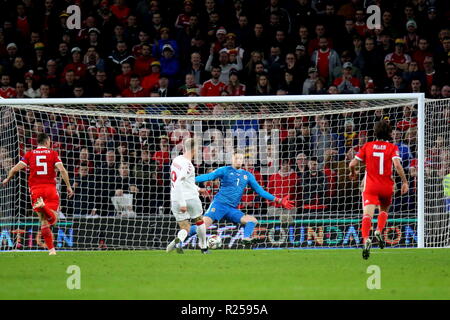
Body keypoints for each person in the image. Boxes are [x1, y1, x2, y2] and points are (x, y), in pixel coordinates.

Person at [188, 152, 295, 246]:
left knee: (252, 220)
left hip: (231, 209)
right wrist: (190, 179)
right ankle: (184, 233)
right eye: (236, 158)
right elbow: (208, 177)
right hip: (219, 204)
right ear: (232, 159)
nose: (239, 160)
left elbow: (260, 191)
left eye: (241, 158)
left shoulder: (247, 175)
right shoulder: (225, 170)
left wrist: (279, 200)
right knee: (202, 227)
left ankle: (246, 238)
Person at [2, 133, 74, 255]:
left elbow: (14, 169)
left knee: (43, 221)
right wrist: (68, 186)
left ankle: (52, 251)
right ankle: (44, 207)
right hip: (50, 189)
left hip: (35, 190)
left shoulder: (30, 154)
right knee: (53, 219)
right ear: (47, 142)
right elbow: (62, 170)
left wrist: (7, 179)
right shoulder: (53, 154)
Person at [349, 120, 409, 260]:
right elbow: (397, 165)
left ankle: (366, 240)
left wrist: (353, 172)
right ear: (389, 133)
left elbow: (352, 163)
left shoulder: (367, 146)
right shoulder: (392, 147)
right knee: (383, 211)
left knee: (367, 215)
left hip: (370, 186)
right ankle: (378, 231)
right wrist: (404, 182)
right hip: (386, 186)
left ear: (375, 132)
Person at [166, 138, 209, 254]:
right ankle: (204, 248)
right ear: (195, 149)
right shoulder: (188, 165)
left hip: (174, 199)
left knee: (185, 228)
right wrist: (183, 203)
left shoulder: (176, 160)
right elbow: (180, 181)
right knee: (199, 221)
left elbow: (183, 183)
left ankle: (178, 240)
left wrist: (198, 189)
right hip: (189, 199)